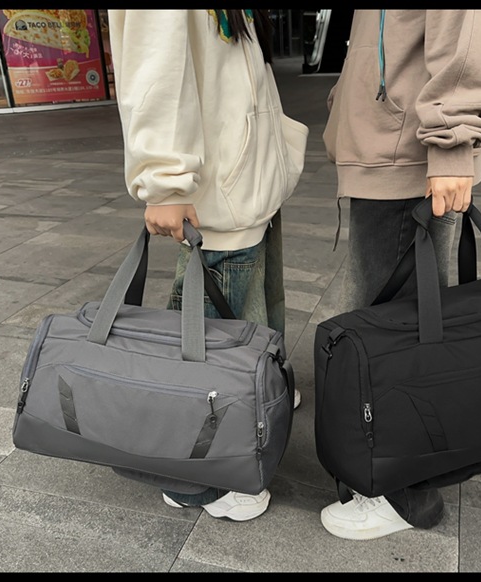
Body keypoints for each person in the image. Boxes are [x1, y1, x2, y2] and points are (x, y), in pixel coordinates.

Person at [320, 9, 481, 540]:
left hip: (406, 151)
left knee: (395, 337)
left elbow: (471, 25)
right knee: (394, 324)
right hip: (393, 143)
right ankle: (398, 473)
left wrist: (452, 144)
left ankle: (404, 494)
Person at [108, 10, 308, 521]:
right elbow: (155, 67)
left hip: (244, 185)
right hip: (217, 194)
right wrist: (164, 180)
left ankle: (261, 399)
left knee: (249, 321)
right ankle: (198, 482)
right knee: (211, 342)